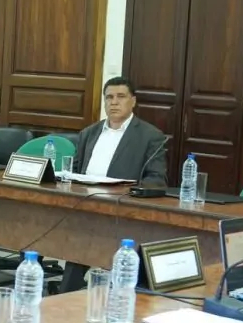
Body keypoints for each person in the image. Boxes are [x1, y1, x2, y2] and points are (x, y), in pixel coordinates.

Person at [61, 77, 169, 291]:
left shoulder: (150, 136)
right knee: (75, 243)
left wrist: (128, 192)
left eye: (121, 97)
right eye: (109, 97)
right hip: (84, 206)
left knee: (88, 242)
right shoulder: (89, 133)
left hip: (122, 210)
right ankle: (66, 295)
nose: (114, 102)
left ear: (133, 101)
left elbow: (157, 179)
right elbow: (75, 170)